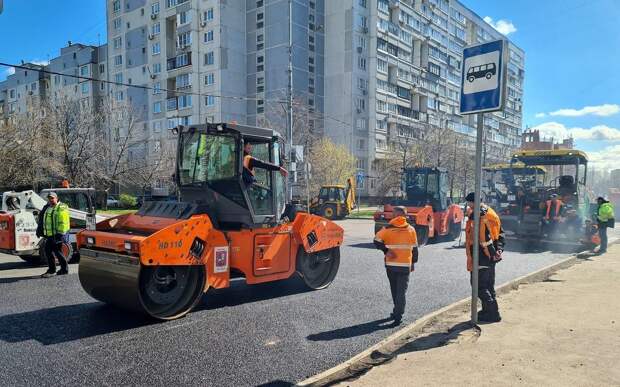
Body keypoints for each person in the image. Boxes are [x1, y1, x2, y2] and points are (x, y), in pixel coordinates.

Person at [373, 206, 419, 325]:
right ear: (405, 216)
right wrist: (413, 263)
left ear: (395, 216)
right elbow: (415, 248)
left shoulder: (388, 229)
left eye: (393, 214)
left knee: (394, 290)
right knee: (401, 291)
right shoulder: (411, 230)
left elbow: (376, 240)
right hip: (405, 266)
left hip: (391, 265)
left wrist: (386, 250)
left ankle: (397, 312)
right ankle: (399, 313)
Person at [465, 192, 505, 323]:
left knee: (478, 286)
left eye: (469, 203)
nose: (468, 205)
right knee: (488, 285)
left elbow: (484, 239)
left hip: (482, 256)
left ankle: (493, 313)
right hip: (489, 254)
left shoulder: (480, 216)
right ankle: (487, 311)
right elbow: (500, 233)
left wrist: (491, 254)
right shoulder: (491, 212)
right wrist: (498, 250)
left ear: (473, 202)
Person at [37, 192, 71, 278]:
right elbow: (43, 219)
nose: (51, 200)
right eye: (49, 198)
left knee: (50, 251)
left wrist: (60, 234)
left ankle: (53, 270)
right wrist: (40, 230)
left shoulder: (62, 207)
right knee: (56, 251)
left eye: (52, 198)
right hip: (50, 234)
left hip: (57, 235)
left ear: (57, 198)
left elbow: (63, 221)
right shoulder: (48, 207)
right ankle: (63, 270)